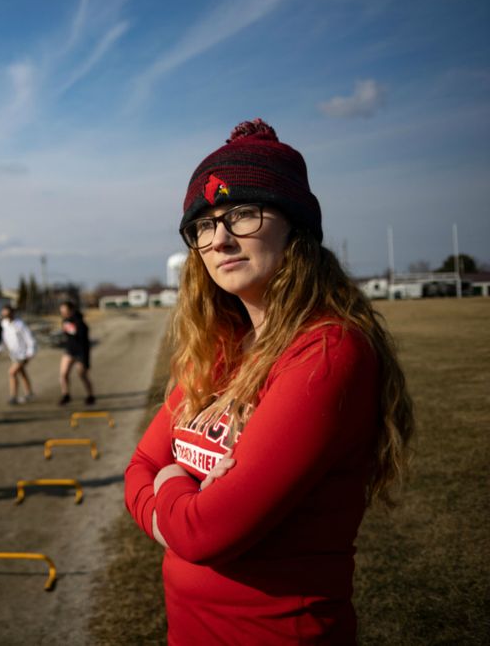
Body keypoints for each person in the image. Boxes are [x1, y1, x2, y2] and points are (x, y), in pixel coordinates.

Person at [124, 119, 414, 644]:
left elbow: (202, 532)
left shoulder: (327, 351)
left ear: (295, 227)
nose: (221, 239)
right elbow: (140, 466)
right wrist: (181, 501)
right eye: (204, 225)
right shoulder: (216, 349)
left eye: (243, 214)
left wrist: (169, 485)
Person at [0, 305, 37, 404]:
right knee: (22, 373)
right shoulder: (3, 324)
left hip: (23, 354)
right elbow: (3, 339)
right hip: (13, 355)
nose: (6, 315)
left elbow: (29, 338)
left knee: (12, 373)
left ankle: (13, 397)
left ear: (12, 313)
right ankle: (29, 393)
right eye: (4, 313)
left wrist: (30, 351)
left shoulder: (20, 324)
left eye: (8, 313)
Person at [58, 301, 95, 405]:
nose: (63, 313)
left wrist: (85, 360)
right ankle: (66, 395)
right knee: (63, 374)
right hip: (69, 351)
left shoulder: (80, 323)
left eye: (65, 311)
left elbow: (84, 342)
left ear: (72, 310)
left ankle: (90, 395)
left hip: (80, 352)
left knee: (82, 374)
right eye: (62, 312)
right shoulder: (65, 321)